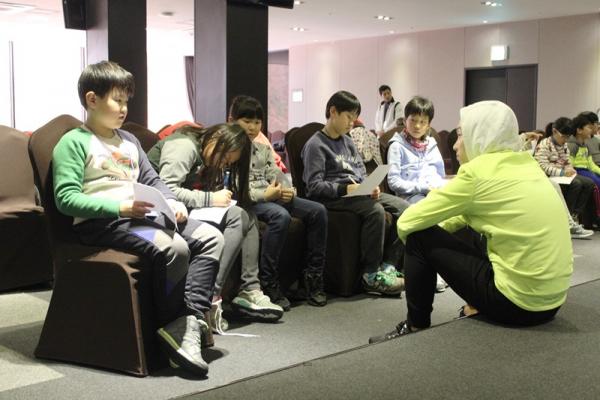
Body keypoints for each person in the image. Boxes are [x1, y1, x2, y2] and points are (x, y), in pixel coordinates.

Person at [53, 60, 224, 376]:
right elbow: (66, 199)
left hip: (143, 216)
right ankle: (177, 328)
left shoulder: (129, 142)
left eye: (126, 101)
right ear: (92, 99)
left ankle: (190, 319)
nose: (123, 108)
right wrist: (119, 208)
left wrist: (172, 201)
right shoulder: (73, 142)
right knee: (175, 248)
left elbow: (152, 179)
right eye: (117, 100)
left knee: (211, 237)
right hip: (103, 224)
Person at [369, 101, 573, 343]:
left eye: (460, 135)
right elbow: (469, 215)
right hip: (552, 302)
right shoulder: (527, 164)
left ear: (480, 135)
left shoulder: (477, 172)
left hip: (517, 305)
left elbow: (407, 222)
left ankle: (415, 325)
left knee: (419, 235)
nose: (455, 145)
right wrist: (450, 224)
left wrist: (430, 247)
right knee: (471, 226)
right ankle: (477, 304)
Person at [147, 123, 284, 332]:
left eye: (228, 163)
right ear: (217, 138)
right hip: (158, 211)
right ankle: (211, 298)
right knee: (238, 216)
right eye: (225, 157)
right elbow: (167, 191)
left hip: (183, 210)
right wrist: (210, 198)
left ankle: (247, 289)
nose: (222, 164)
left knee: (246, 214)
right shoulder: (184, 146)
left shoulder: (205, 152)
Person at [302, 90, 409, 295]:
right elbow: (313, 186)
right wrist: (344, 188)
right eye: (348, 117)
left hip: (358, 192)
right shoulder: (315, 144)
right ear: (333, 111)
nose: (352, 123)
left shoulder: (348, 141)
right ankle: (370, 275)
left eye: (355, 118)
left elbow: (360, 171)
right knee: (375, 211)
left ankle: (389, 265)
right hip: (333, 198)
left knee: (406, 209)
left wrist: (370, 186)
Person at [229, 95, 328, 309]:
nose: (253, 127)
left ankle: (312, 277)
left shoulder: (262, 148)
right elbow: (238, 191)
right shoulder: (231, 151)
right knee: (280, 215)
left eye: (257, 122)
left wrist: (286, 190)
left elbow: (276, 174)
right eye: (247, 121)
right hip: (250, 201)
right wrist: (268, 195)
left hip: (271, 195)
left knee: (317, 211)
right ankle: (269, 281)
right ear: (232, 120)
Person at [534, 117, 595, 236]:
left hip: (563, 175)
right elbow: (542, 166)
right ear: (554, 131)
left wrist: (570, 169)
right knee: (576, 184)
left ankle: (574, 216)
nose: (565, 140)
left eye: (568, 137)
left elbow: (567, 161)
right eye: (564, 136)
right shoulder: (544, 144)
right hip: (549, 176)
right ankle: (567, 221)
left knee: (589, 183)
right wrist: (561, 173)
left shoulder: (564, 145)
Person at [387, 96, 445, 204]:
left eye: (423, 122)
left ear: (428, 125)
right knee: (428, 206)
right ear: (405, 121)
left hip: (435, 193)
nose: (417, 126)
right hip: (411, 196)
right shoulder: (397, 146)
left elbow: (441, 175)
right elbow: (394, 182)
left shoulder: (431, 145)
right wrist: (423, 188)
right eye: (413, 120)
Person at [567, 113, 600, 223]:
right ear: (579, 130)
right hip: (578, 171)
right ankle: (597, 216)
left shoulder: (585, 145)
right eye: (589, 128)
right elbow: (570, 163)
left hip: (587, 170)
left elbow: (591, 165)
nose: (591, 130)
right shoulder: (572, 145)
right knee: (596, 185)